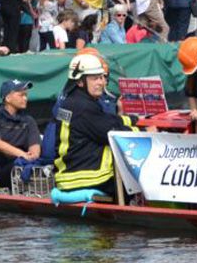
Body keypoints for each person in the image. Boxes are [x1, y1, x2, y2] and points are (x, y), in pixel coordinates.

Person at [52, 52, 137, 196]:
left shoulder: (71, 101)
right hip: (87, 177)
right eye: (95, 78)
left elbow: (105, 120)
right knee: (135, 183)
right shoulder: (83, 107)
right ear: (79, 82)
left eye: (102, 77)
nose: (102, 83)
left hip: (69, 175)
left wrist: (131, 119)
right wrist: (141, 130)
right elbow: (111, 132)